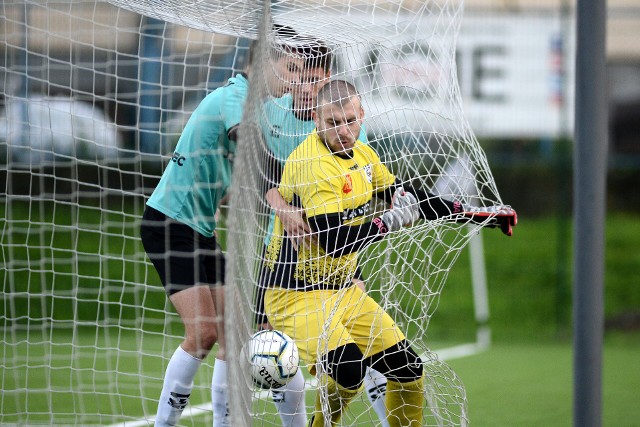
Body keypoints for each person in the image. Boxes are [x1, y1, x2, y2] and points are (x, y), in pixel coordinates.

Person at [261, 79, 517, 427]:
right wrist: (387, 222)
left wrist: (480, 215)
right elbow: (334, 242)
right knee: (349, 370)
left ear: (361, 114)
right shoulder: (312, 165)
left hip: (342, 292)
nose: (343, 130)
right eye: (332, 122)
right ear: (315, 120)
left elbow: (410, 195)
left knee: (409, 370)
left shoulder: (365, 157)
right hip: (294, 294)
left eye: (350, 120)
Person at [139, 26, 309, 427]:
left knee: (234, 336)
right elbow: (254, 154)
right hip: (169, 223)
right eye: (292, 68)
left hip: (200, 230)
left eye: (304, 72)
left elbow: (241, 178)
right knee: (202, 335)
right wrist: (296, 191)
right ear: (265, 61)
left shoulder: (257, 108)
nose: (298, 80)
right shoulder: (238, 98)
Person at [255, 41, 390, 427]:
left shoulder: (344, 129)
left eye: (314, 78)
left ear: (327, 80)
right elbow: (260, 173)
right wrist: (284, 207)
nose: (304, 85)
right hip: (282, 254)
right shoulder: (271, 115)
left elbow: (367, 184)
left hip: (337, 256)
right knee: (272, 352)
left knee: (359, 348)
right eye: (298, 75)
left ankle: (383, 418)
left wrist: (373, 216)